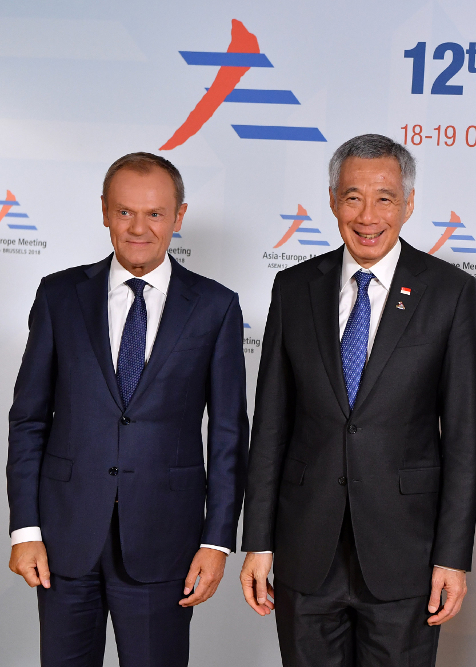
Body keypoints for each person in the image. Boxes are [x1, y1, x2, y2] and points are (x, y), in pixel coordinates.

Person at [239, 134, 476, 667]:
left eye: (385, 198)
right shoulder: (293, 287)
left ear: (409, 203)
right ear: (332, 200)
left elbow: (464, 440)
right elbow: (272, 426)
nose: (368, 215)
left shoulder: (451, 292)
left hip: (406, 554)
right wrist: (257, 541)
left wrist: (452, 556)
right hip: (306, 548)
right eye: (353, 197)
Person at [6, 152, 249, 667]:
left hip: (167, 542)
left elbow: (228, 434)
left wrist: (218, 542)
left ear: (178, 216)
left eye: (155, 214)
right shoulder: (59, 295)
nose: (139, 228)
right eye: (125, 212)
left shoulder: (215, 307)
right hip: (64, 538)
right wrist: (25, 529)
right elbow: (28, 420)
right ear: (104, 211)